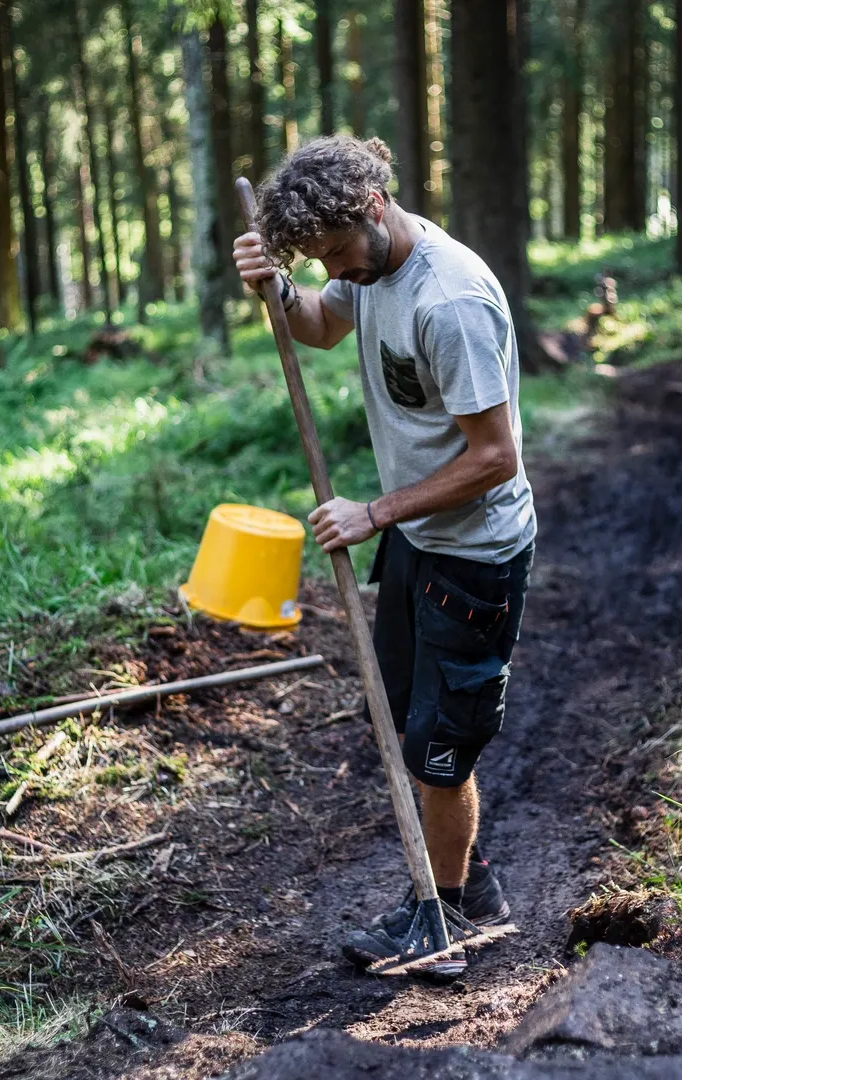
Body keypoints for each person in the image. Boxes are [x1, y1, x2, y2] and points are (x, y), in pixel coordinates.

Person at [231, 135, 537, 967]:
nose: (335, 268)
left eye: (335, 252)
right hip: (416, 541)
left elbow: (495, 457)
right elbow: (322, 325)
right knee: (415, 724)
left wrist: (375, 512)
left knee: (441, 752)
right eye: (319, 257)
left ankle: (443, 921)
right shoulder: (367, 266)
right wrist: (278, 286)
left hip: (472, 553)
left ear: (374, 207)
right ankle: (469, 885)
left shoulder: (452, 300)